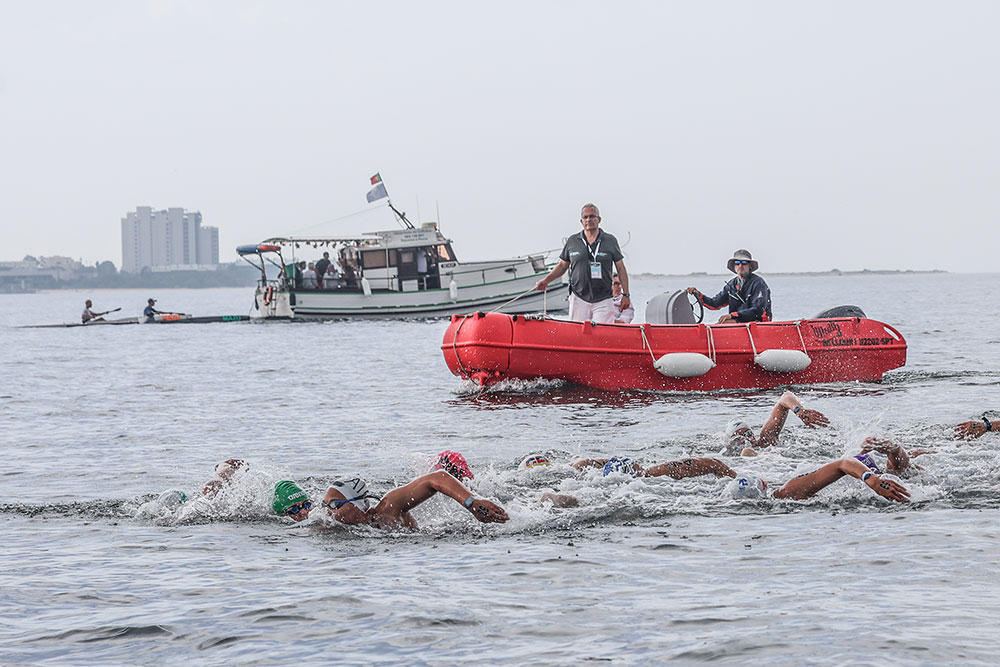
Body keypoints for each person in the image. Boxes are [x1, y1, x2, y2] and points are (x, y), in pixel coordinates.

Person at [272, 471, 508, 529]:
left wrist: (471, 503)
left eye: (334, 505)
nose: (328, 512)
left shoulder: (388, 509)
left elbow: (437, 478)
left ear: (358, 504)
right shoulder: (327, 526)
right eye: (325, 506)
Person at [534, 203, 630, 323]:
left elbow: (620, 268)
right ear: (581, 221)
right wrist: (546, 281)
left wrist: (626, 295)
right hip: (579, 297)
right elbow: (562, 266)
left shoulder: (610, 240)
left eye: (592, 216)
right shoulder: (573, 241)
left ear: (599, 219)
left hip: (603, 298)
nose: (588, 220)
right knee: (577, 333)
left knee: (602, 333)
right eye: (585, 217)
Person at [724, 391, 829, 456]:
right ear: (730, 444)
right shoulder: (729, 459)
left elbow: (785, 396)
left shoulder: (766, 439)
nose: (745, 439)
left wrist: (798, 410)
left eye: (747, 434)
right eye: (738, 438)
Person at [686, 249, 772, 323]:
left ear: (750, 266)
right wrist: (699, 295)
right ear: (734, 266)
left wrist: (732, 315)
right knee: (722, 323)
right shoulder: (732, 285)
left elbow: (758, 310)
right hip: (739, 322)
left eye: (744, 262)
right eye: (737, 263)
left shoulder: (759, 283)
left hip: (758, 323)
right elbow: (714, 304)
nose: (740, 266)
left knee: (725, 323)